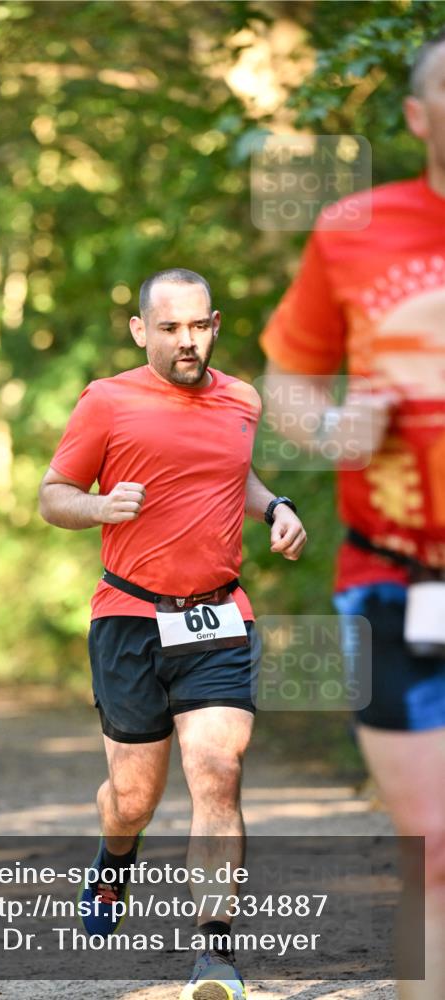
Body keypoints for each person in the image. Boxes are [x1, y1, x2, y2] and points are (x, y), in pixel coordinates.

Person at [39, 268, 307, 999]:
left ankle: (213, 951)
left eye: (197, 327)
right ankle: (115, 857)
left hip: (218, 615)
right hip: (128, 618)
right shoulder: (107, 401)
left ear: (214, 323)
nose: (185, 342)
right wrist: (98, 509)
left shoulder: (241, 399)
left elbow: (230, 474)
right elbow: (51, 496)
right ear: (140, 330)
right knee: (132, 798)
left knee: (216, 771)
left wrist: (273, 505)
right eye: (168, 329)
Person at [259, 33, 445, 1000]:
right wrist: (332, 431)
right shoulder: (355, 227)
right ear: (418, 117)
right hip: (391, 578)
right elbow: (285, 384)